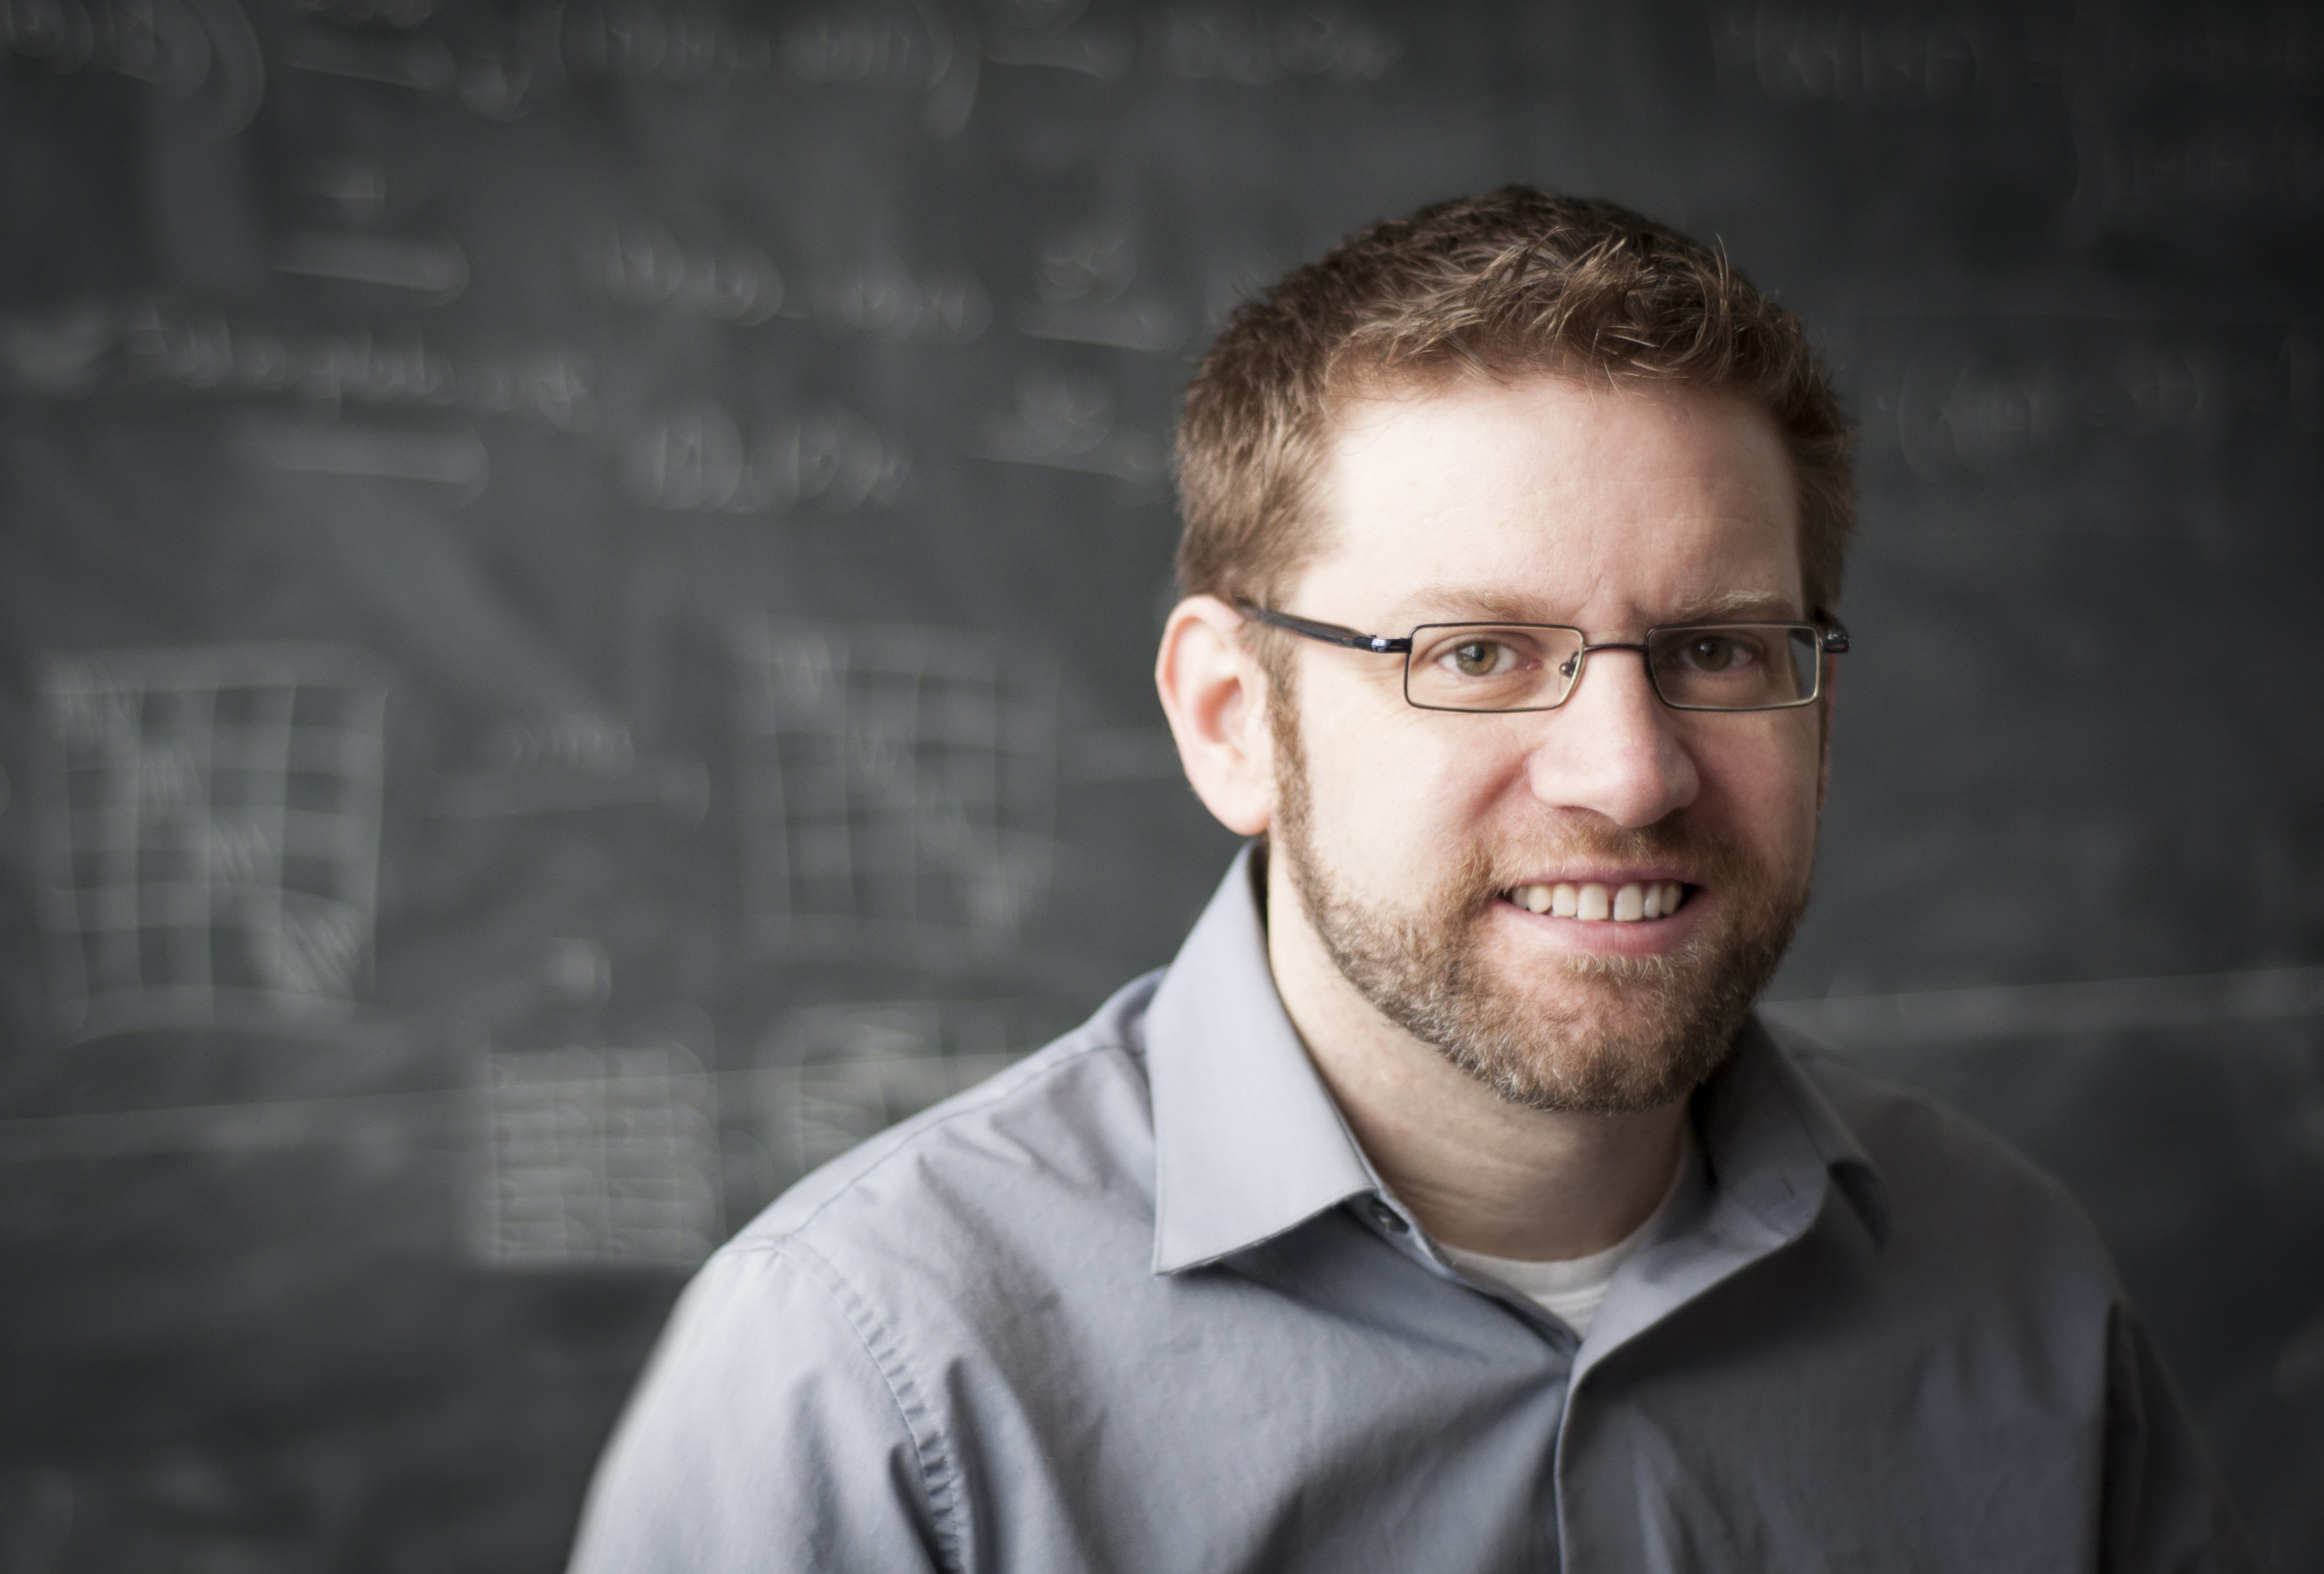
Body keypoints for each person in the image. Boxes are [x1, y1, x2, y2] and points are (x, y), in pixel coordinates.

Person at [566, 187, 2254, 1572]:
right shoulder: (873, 1381)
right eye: (1478, 653)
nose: (1631, 769)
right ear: (1235, 721)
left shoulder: (2018, 1294)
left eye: (1723, 649)